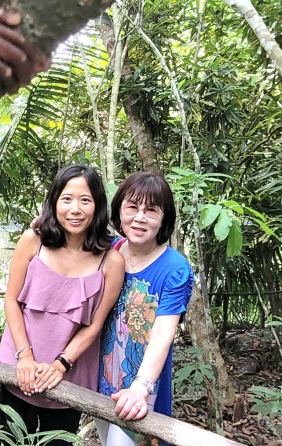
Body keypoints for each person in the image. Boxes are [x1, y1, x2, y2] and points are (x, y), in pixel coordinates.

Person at [0, 164, 126, 436]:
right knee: (10, 440)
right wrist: (25, 358)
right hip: (19, 368)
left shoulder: (111, 262)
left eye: (85, 200)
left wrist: (61, 364)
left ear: (98, 206)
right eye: (66, 199)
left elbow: (95, 325)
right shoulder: (33, 241)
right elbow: (11, 301)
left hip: (69, 377)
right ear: (54, 202)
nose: (75, 209)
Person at [96, 172, 195, 446]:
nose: (140, 217)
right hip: (99, 379)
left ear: (163, 218)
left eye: (151, 210)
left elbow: (164, 332)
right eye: (132, 207)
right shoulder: (110, 250)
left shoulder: (175, 268)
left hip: (141, 387)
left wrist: (141, 388)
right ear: (119, 211)